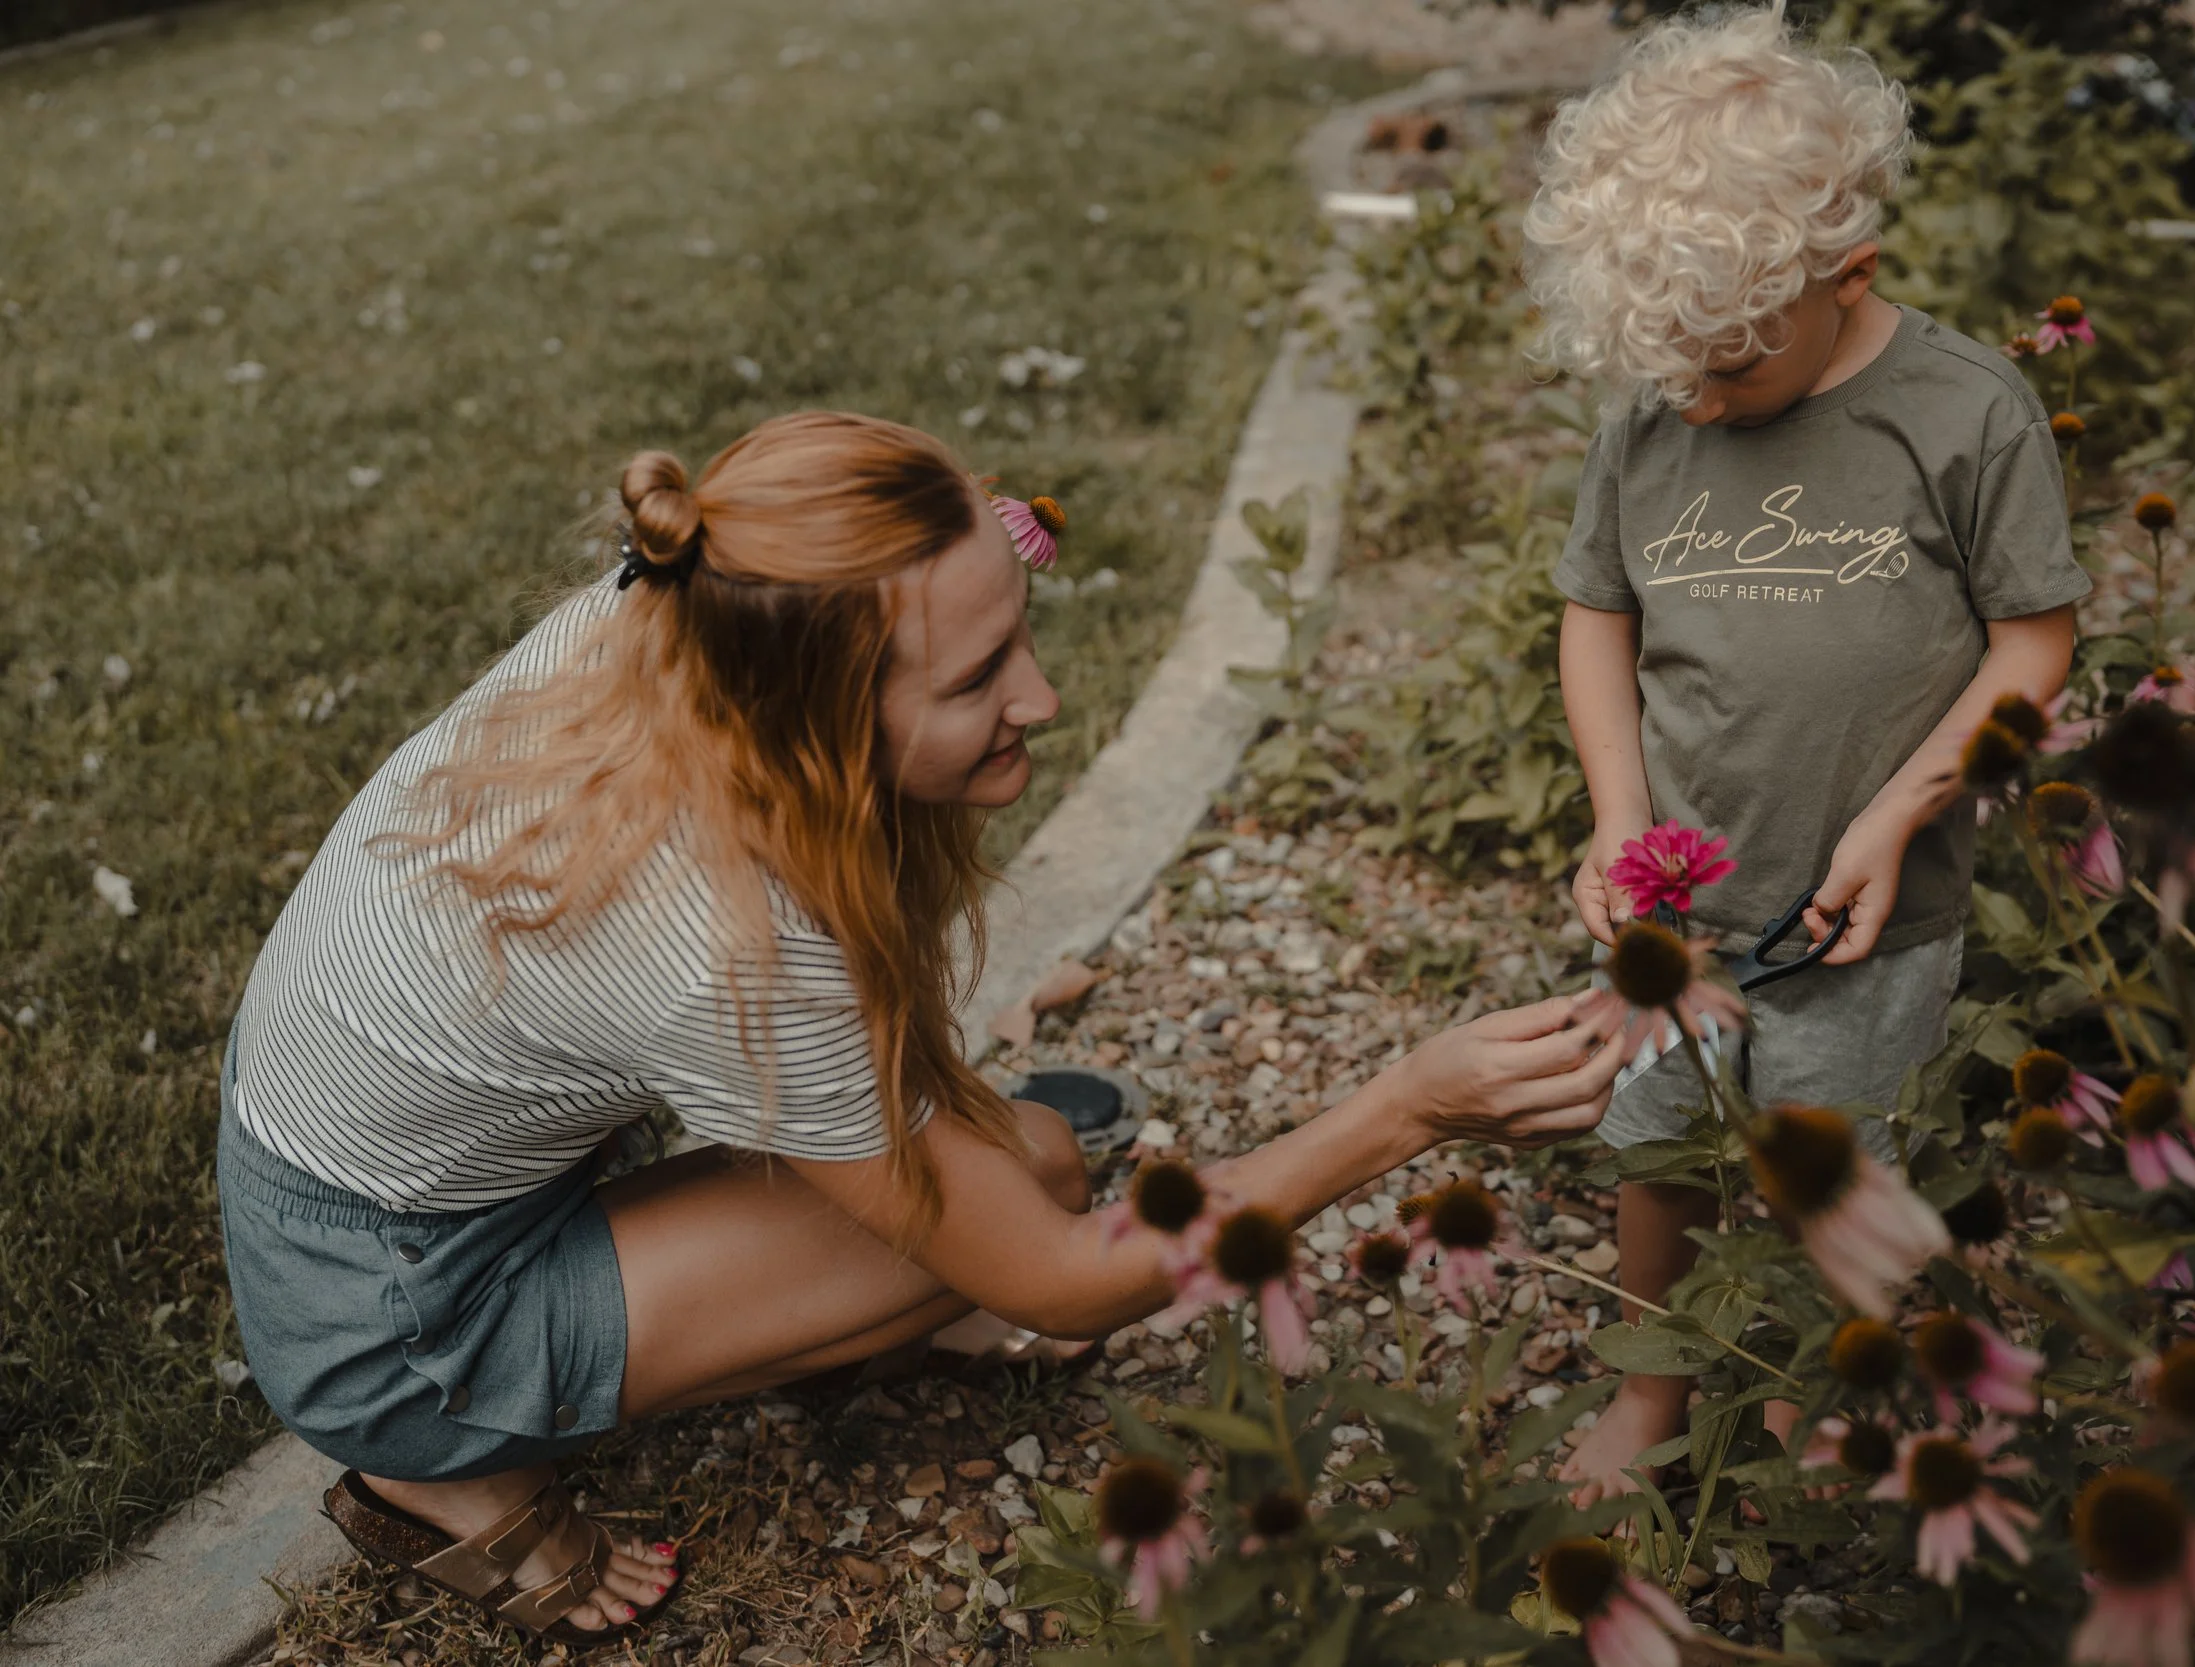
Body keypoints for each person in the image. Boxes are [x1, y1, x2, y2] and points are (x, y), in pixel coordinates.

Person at [217, 411, 1633, 1643]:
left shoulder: (674, 612)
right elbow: (1070, 1285)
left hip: (373, 1172)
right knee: (1034, 1214)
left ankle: (806, 1290)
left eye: (1017, 629)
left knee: (1038, 1164)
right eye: (973, 682)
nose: (1045, 697)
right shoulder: (726, 944)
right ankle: (429, 1468)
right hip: (389, 1311)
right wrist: (1412, 1106)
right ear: (814, 731)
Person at [1520, 9, 2087, 1502]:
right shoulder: (1661, 407)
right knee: (1657, 1144)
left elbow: (2034, 643)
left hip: (1871, 910)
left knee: (1834, 1160)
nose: (1699, 401)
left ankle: (1812, 1400)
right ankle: (1651, 1387)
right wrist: (1614, 820)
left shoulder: (1962, 415)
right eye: (1675, 372)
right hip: (1675, 907)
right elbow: (1598, 615)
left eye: (1730, 369)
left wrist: (1903, 815)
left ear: (1850, 277)